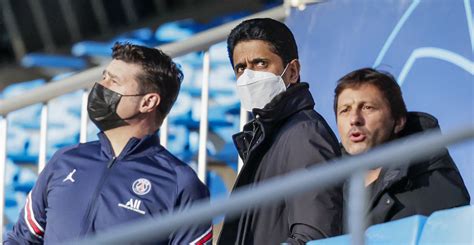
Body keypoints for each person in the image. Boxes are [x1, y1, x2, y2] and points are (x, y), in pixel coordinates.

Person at [6, 43, 212, 244]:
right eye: (103, 77)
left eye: (113, 81)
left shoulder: (180, 183)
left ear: (148, 102)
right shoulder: (65, 160)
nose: (100, 87)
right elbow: (22, 239)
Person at [218, 18, 343, 245]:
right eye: (241, 68)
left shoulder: (305, 134)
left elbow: (314, 236)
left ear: (292, 71)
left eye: (260, 63)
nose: (249, 76)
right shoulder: (268, 137)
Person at [334, 67, 470, 227]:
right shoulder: (328, 188)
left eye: (367, 107)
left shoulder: (428, 172)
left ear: (398, 121)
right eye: (345, 110)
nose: (354, 119)